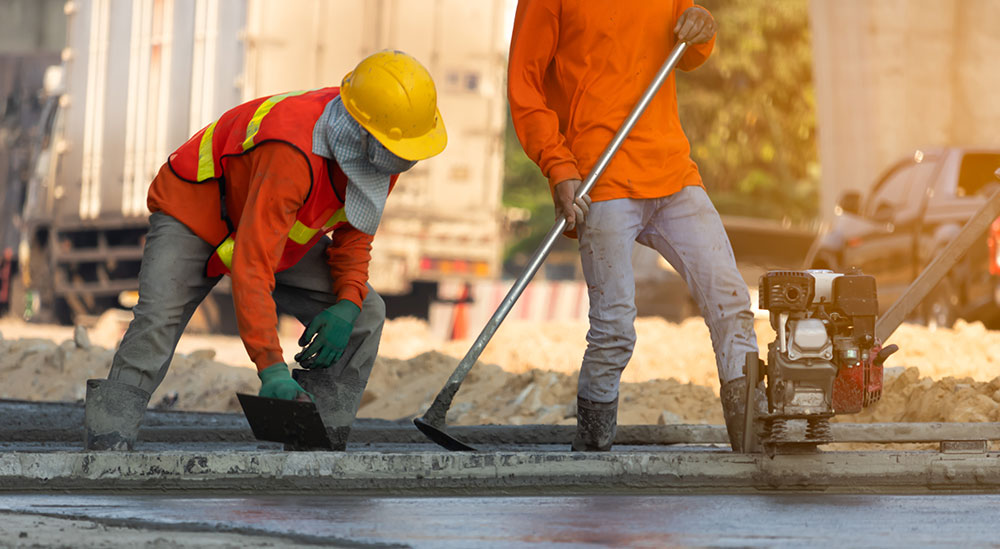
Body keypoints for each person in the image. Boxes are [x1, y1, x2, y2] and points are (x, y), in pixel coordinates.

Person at [83, 50, 447, 451]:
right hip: (195, 209)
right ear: (361, 133)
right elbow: (252, 267)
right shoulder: (292, 151)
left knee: (366, 313)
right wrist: (271, 368)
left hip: (272, 226)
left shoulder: (383, 153)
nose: (399, 166)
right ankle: (108, 441)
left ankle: (317, 439)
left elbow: (355, 233)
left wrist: (346, 302)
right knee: (157, 321)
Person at [508, 1, 758, 451]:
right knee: (613, 329)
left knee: (732, 303)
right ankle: (593, 447)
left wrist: (703, 27)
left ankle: (749, 440)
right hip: (600, 176)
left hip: (672, 170)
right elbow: (524, 86)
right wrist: (557, 164)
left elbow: (691, 46)